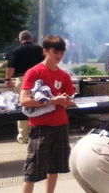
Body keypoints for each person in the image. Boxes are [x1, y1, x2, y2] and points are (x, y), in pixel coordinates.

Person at [19, 35, 76, 193]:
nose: (59, 56)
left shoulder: (64, 75)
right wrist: (52, 101)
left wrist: (68, 101)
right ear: (45, 51)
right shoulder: (34, 72)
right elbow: (24, 101)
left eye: (62, 53)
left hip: (61, 125)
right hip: (40, 127)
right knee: (32, 171)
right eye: (55, 52)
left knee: (55, 167)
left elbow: (69, 99)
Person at [5, 30, 44, 144]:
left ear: (20, 39)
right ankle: (38, 133)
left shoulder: (16, 51)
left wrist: (7, 79)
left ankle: (24, 137)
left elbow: (10, 67)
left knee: (22, 107)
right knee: (39, 105)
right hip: (39, 81)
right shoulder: (39, 49)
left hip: (22, 80)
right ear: (31, 39)